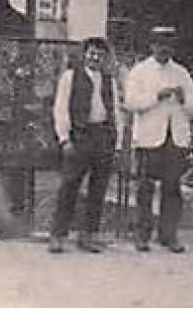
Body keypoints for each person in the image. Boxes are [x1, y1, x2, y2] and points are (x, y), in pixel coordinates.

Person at [124, 25, 193, 253]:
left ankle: (168, 235)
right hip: (149, 138)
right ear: (152, 46)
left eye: (168, 45)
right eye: (159, 44)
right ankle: (142, 234)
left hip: (175, 138)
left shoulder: (181, 73)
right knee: (145, 187)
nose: (163, 49)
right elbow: (130, 102)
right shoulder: (140, 71)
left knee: (172, 188)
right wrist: (155, 97)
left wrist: (182, 98)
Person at [49, 37, 123, 253]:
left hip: (103, 137)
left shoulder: (109, 81)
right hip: (80, 136)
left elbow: (116, 111)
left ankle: (88, 235)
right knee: (69, 187)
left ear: (105, 58)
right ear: (84, 55)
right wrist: (64, 138)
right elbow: (60, 108)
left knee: (98, 189)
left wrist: (116, 143)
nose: (96, 57)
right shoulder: (70, 77)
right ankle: (58, 235)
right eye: (92, 53)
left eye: (100, 54)